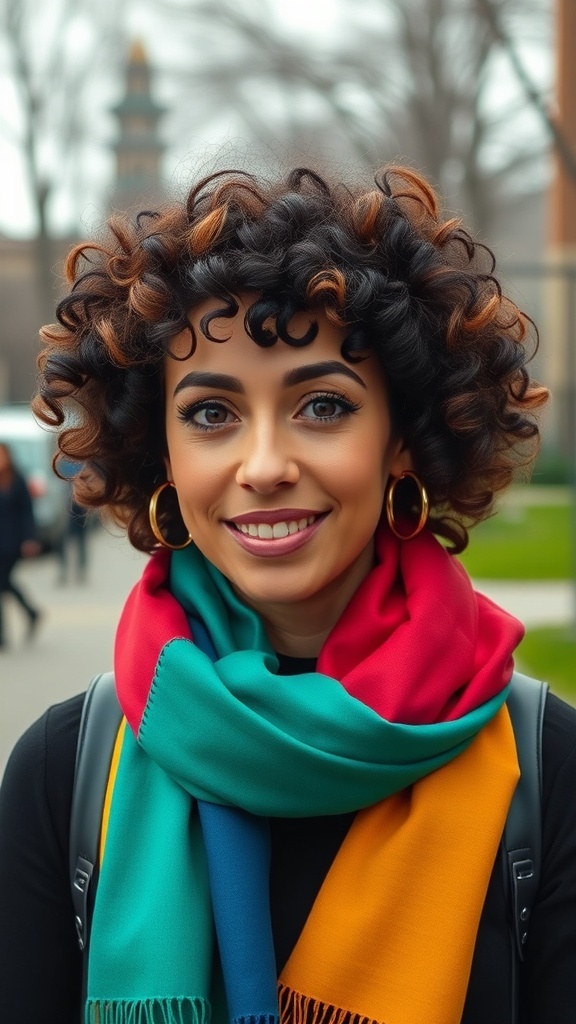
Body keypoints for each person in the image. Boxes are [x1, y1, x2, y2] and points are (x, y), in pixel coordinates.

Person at [0, 163, 574, 1024]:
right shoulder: (63, 771)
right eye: (210, 415)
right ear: (161, 453)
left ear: (404, 441)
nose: (264, 466)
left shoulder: (547, 768)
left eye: (322, 406)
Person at [0, 441, 42, 647]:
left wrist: (29, 538)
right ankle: (31, 612)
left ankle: (3, 636)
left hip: (13, 542)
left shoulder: (17, 480)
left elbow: (27, 512)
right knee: (4, 584)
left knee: (3, 583)